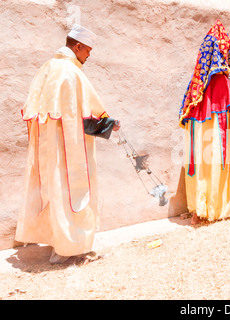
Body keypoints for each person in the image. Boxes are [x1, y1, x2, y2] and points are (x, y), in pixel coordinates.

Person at [15, 24, 120, 264]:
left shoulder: (47, 68)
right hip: (67, 149)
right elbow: (82, 116)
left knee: (53, 191)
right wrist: (108, 124)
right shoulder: (70, 72)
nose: (89, 56)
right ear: (78, 46)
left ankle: (59, 246)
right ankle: (69, 250)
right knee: (72, 193)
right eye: (88, 51)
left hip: (49, 148)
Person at [179, 20, 230, 225]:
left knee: (201, 160)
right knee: (217, 158)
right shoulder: (226, 83)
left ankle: (199, 209)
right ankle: (219, 206)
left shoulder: (195, 84)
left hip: (200, 131)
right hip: (219, 129)